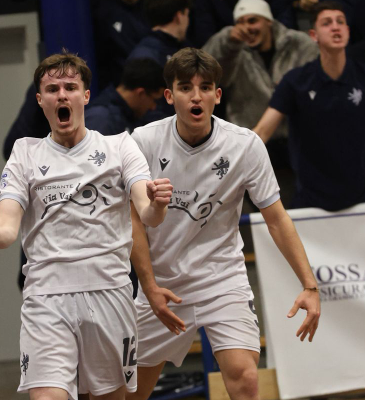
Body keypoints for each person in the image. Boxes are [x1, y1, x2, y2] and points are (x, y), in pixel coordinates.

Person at [0, 52, 173, 400]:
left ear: (85, 96)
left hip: (109, 291)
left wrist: (157, 202)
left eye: (70, 87)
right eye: (52, 89)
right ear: (40, 100)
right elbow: (6, 231)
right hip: (46, 296)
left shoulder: (119, 146)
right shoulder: (25, 153)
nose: (61, 95)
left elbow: (148, 215)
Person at [127, 47, 321, 400]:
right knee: (129, 394)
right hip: (164, 285)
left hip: (222, 280)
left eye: (205, 87)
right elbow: (133, 222)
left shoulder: (245, 146)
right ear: (169, 96)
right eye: (186, 87)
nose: (196, 96)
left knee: (245, 378)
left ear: (217, 95)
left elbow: (277, 220)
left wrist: (310, 285)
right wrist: (150, 287)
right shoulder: (144, 141)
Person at [254, 2, 365, 211]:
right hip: (311, 200)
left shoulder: (361, 75)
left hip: (361, 198)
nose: (335, 27)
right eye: (327, 23)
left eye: (340, 22)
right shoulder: (295, 81)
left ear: (348, 31)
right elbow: (262, 132)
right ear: (313, 35)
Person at [202, 0, 318, 161]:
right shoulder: (233, 50)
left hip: (298, 140)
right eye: (240, 23)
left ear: (268, 21)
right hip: (251, 141)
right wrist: (228, 41)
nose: (246, 28)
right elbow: (205, 70)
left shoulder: (297, 43)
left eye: (252, 21)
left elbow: (316, 79)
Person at [85, 58, 165, 136]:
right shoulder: (101, 119)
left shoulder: (129, 115)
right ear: (141, 93)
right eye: (154, 100)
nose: (153, 107)